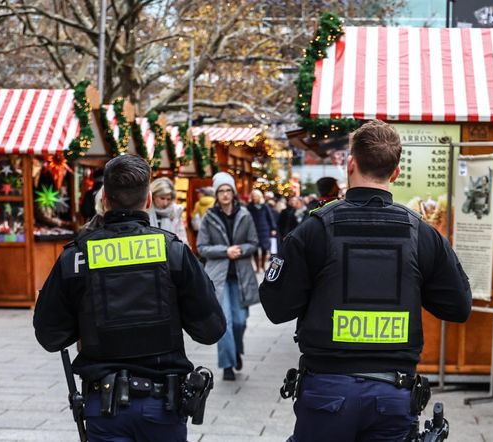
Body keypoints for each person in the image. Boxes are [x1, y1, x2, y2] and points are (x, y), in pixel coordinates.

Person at [259, 120, 472, 442]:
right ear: (396, 172)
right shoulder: (422, 234)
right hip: (393, 394)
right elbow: (458, 306)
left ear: (350, 164)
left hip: (327, 390)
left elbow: (276, 308)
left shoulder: (315, 229)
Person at [33, 155, 225, 442]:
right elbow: (210, 330)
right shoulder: (172, 252)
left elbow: (50, 336)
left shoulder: (76, 257)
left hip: (104, 408)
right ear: (148, 199)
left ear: (105, 199)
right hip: (163, 405)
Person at [197, 172, 259, 382]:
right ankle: (227, 365)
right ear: (216, 194)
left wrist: (240, 249)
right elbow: (202, 248)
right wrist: (225, 251)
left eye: (228, 190)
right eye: (221, 191)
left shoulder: (245, 215)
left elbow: (253, 242)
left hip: (241, 277)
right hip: (219, 278)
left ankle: (236, 351)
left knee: (240, 322)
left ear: (234, 193)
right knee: (226, 323)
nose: (224, 194)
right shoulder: (209, 217)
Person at [147, 177, 189, 246]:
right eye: (162, 198)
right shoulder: (145, 210)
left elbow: (182, 237)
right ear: (153, 196)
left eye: (168, 199)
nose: (165, 203)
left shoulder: (176, 211)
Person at [247, 189, 278, 272]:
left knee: (264, 248)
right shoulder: (249, 206)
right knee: (255, 249)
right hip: (253, 229)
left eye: (256, 196)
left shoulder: (265, 206)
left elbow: (270, 217)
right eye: (253, 196)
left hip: (264, 229)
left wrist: (273, 228)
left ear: (259, 196)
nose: (254, 197)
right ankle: (257, 267)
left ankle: (263, 266)